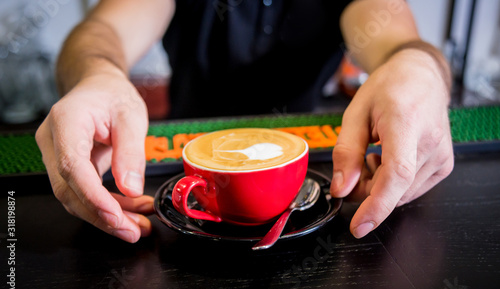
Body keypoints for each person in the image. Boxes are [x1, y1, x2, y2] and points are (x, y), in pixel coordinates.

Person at [35, 0, 454, 243]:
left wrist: (418, 65)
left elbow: (397, 37)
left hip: (317, 158)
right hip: (181, 152)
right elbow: (102, 29)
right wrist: (96, 72)